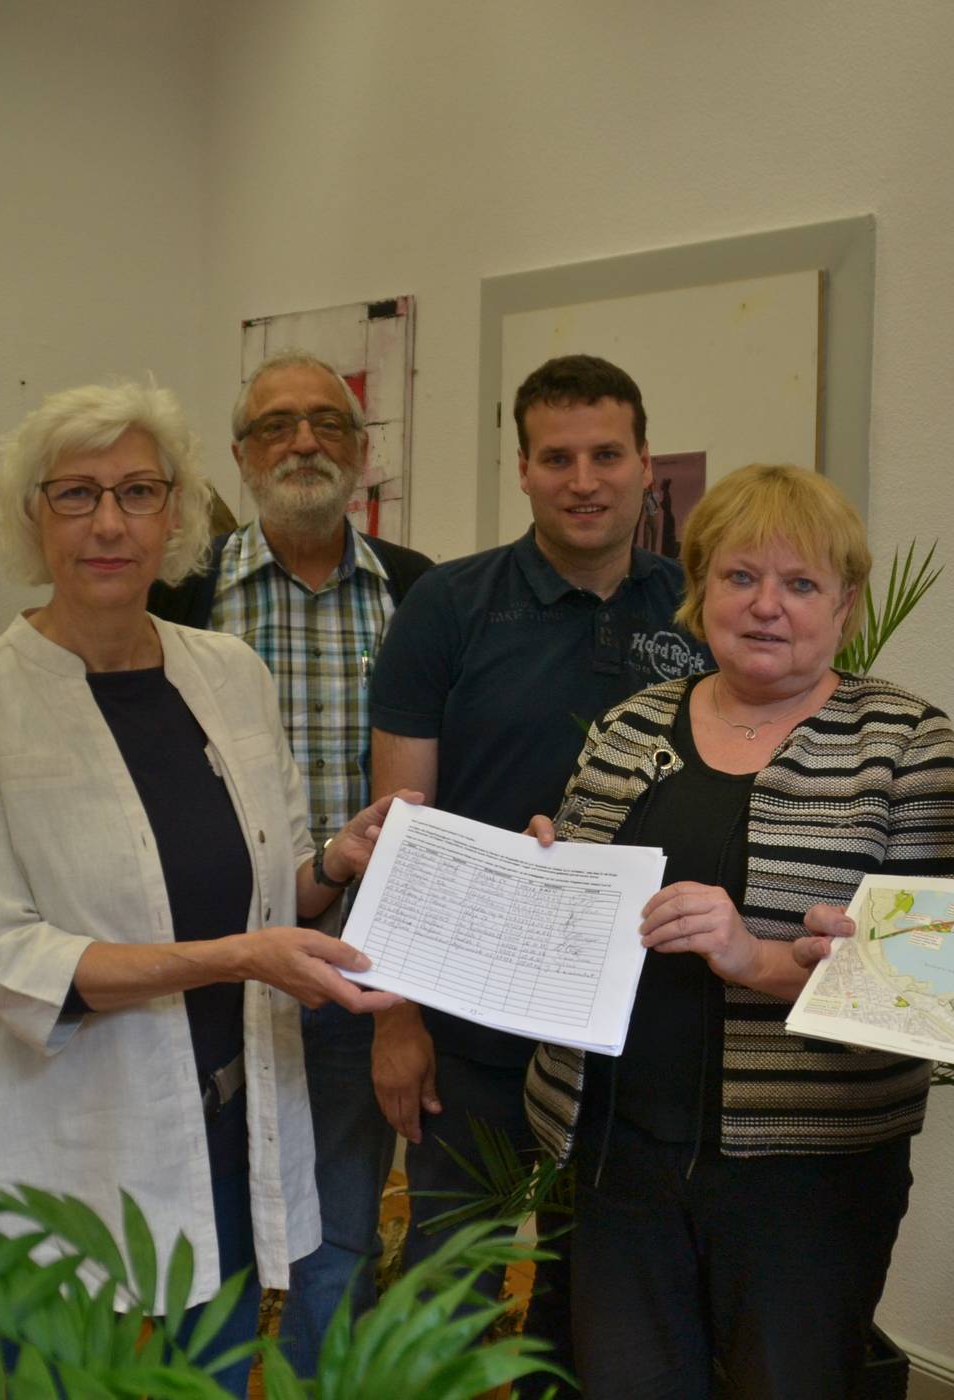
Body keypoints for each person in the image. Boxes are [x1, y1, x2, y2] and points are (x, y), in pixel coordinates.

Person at [0, 382, 409, 1396]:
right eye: (77, 494)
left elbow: (273, 899)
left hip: (228, 1124)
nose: (109, 522)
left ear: (175, 514)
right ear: (29, 516)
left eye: (138, 491)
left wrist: (334, 863)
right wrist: (238, 957)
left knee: (211, 1380)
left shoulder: (229, 671)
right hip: (76, 1136)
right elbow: (12, 961)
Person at [522, 463, 954, 1399]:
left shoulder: (903, 743)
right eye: (740, 577)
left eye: (801, 583)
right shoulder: (627, 727)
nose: (767, 606)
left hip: (808, 1179)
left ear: (846, 603)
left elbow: (942, 990)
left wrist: (756, 959)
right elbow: (574, 920)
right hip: (618, 1160)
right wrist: (540, 880)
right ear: (699, 587)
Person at [366, 354, 710, 1367]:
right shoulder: (450, 606)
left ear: (647, 463)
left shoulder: (699, 609)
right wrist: (395, 1015)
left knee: (601, 1302)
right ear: (522, 468)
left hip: (640, 1025)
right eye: (557, 456)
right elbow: (397, 823)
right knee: (445, 1287)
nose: (584, 478)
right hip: (472, 1022)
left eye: (608, 453)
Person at [148, 349, 434, 1374]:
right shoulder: (174, 596)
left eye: (327, 422)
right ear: (240, 452)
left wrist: (405, 994)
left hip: (361, 964)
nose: (303, 441)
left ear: (361, 455)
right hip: (213, 967)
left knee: (340, 1230)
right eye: (276, 425)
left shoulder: (423, 594)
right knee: (205, 1228)